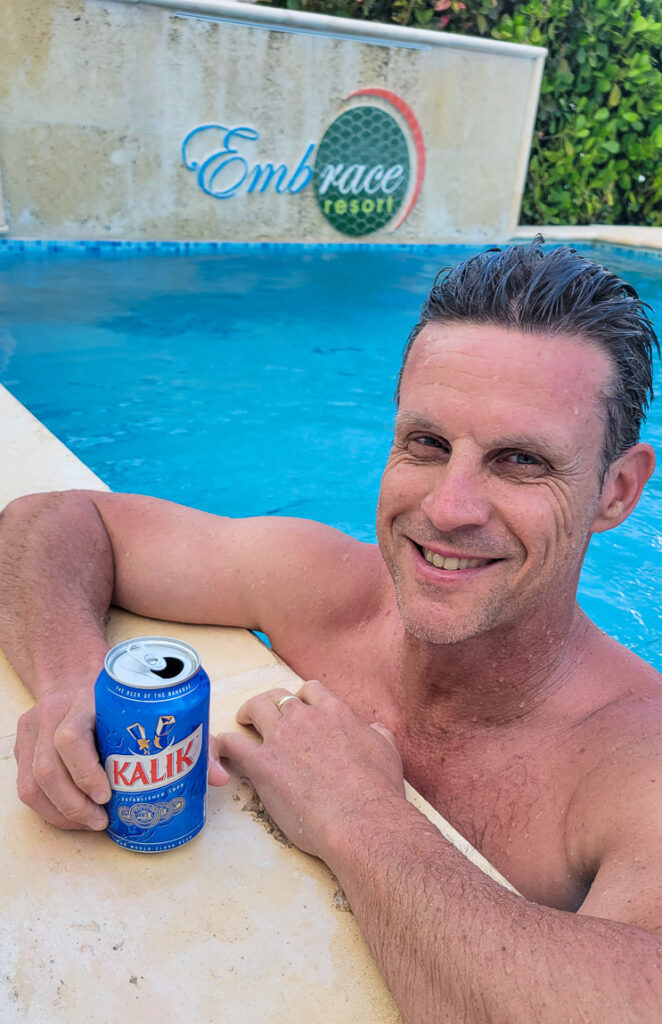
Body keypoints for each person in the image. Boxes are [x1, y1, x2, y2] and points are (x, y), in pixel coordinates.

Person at [1, 237, 661, 1022]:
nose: (448, 508)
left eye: (520, 461)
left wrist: (358, 814)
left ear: (616, 493)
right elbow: (49, 521)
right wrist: (78, 686)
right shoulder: (324, 585)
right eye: (427, 443)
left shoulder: (635, 763)